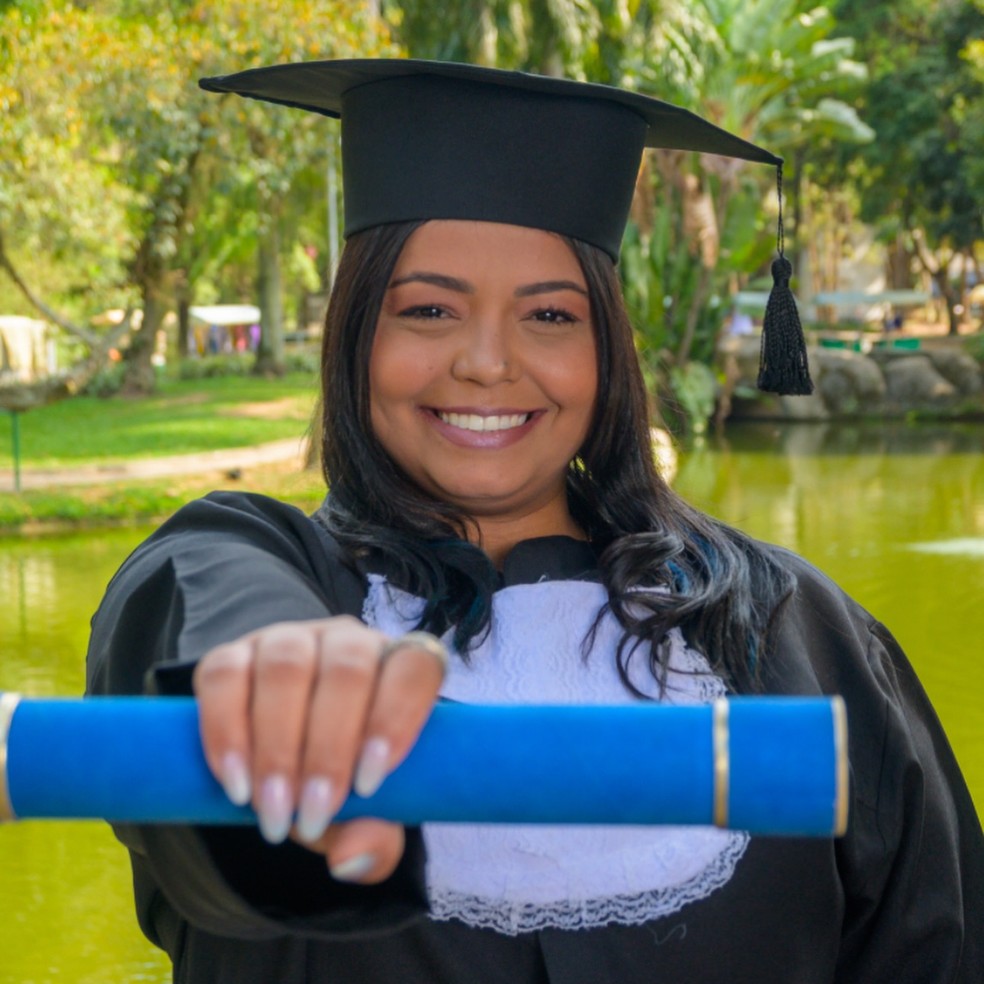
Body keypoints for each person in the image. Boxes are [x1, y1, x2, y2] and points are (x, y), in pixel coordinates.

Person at [86, 59, 984, 983]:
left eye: (550, 315)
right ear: (356, 334)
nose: (486, 363)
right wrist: (283, 677)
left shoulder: (793, 633)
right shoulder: (257, 570)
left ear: (607, 349)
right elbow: (200, 606)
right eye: (428, 309)